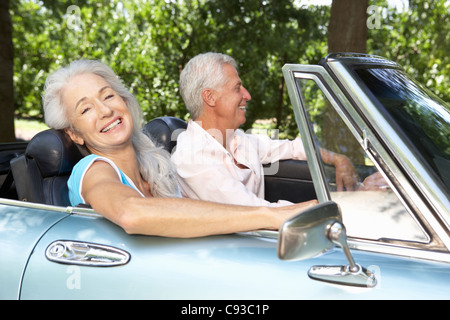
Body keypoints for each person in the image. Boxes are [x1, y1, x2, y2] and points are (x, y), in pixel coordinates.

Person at [42, 59, 318, 238]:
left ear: (124, 101)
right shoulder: (93, 170)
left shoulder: (153, 165)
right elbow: (131, 213)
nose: (105, 110)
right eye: (86, 108)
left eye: (108, 96)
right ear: (74, 133)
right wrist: (271, 215)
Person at [172, 52, 359, 207]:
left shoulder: (237, 139)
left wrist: (337, 159)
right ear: (210, 97)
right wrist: (336, 206)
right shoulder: (192, 158)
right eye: (237, 88)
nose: (248, 95)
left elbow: (294, 148)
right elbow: (254, 212)